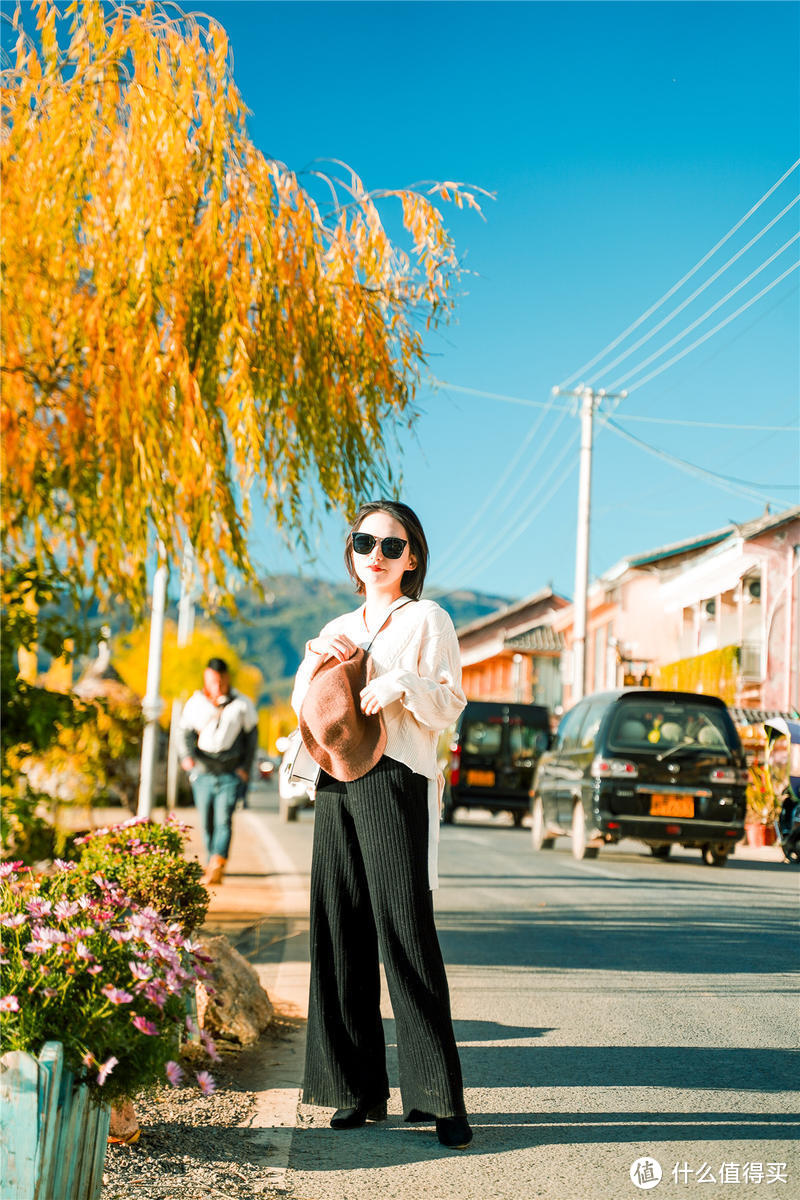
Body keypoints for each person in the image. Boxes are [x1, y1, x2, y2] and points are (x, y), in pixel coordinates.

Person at [291, 500, 473, 1150]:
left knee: (404, 930)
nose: (377, 556)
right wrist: (316, 659)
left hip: (396, 777)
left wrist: (402, 682)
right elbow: (302, 708)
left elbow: (450, 701)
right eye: (365, 543)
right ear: (353, 552)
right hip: (336, 780)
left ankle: (440, 1097)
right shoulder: (337, 623)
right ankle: (355, 1091)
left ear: (413, 557)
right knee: (338, 930)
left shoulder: (428, 618)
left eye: (392, 546)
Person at [178, 657, 258, 886]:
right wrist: (187, 759)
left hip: (230, 772)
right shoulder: (195, 703)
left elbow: (251, 738)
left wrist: (244, 769)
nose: (218, 684)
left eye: (221, 680)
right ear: (206, 678)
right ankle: (210, 861)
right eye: (213, 680)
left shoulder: (242, 704)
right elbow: (183, 733)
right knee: (207, 821)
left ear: (228, 678)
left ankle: (217, 863)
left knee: (224, 819)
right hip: (202, 772)